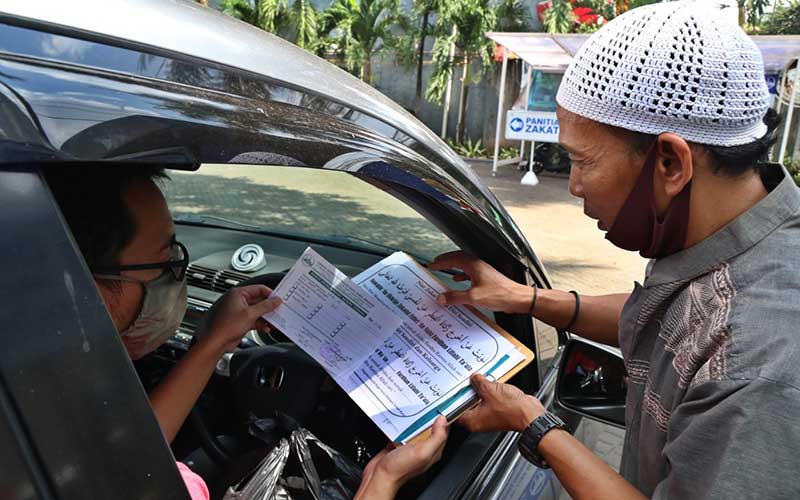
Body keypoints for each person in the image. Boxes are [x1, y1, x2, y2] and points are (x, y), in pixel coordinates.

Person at [431, 2, 800, 499]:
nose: (575, 187)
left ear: (670, 162)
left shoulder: (757, 368)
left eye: (583, 162)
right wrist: (525, 298)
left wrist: (534, 423)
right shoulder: (718, 241)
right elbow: (672, 324)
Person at [46, 166, 447, 499]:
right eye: (165, 261)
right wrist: (382, 481)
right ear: (86, 283)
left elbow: (127, 462)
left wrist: (212, 342)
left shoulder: (40, 380)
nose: (176, 274)